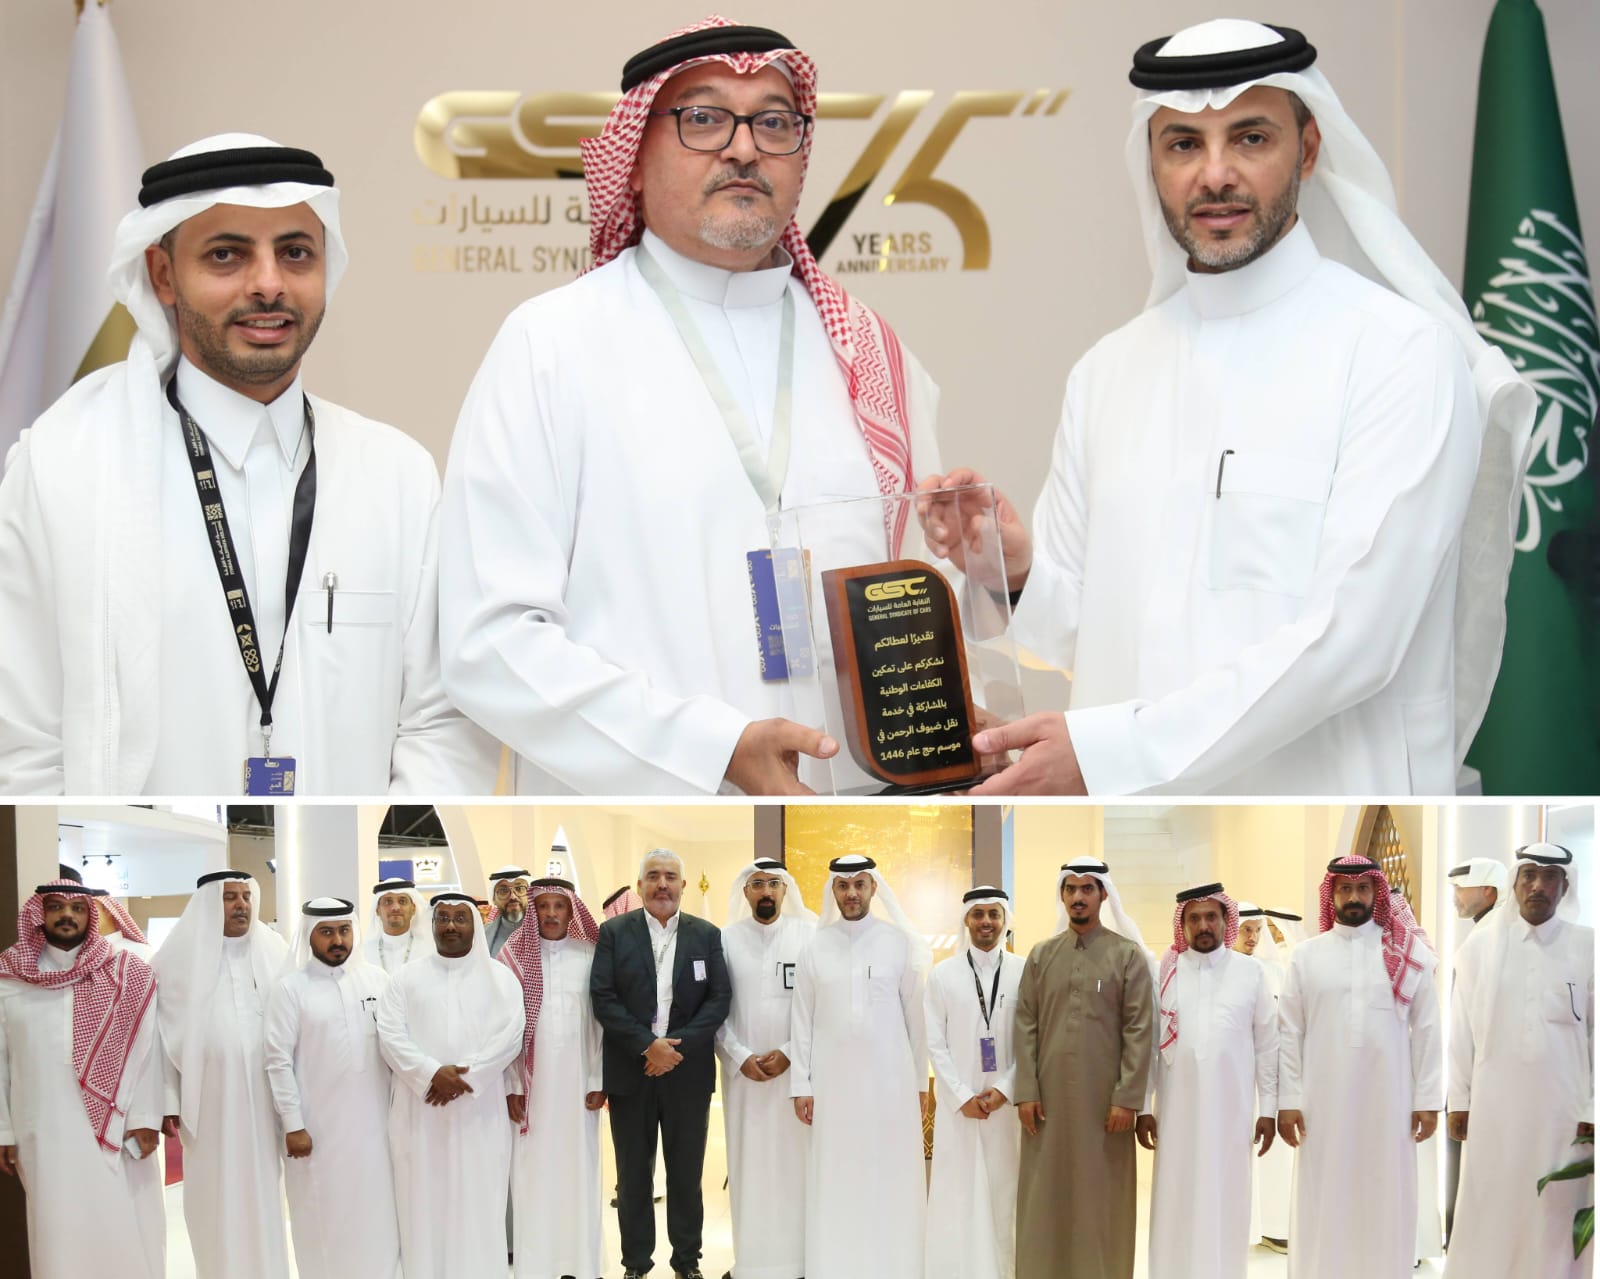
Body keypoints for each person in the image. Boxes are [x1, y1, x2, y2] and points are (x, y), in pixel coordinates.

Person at [921, 18, 1534, 796]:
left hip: (1325, 826)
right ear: (1151, 161)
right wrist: (1016, 572)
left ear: (1307, 149)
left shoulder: (1399, 353)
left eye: (1250, 138)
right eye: (1184, 144)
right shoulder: (1107, 372)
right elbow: (1083, 632)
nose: (1215, 175)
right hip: (1133, 832)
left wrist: (1112, 753)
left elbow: (1355, 641)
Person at [438, 15, 943, 797]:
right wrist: (711, 749)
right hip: (648, 822)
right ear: (635, 161)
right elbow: (490, 643)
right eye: (703, 118)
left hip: (853, 815)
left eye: (773, 122)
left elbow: (922, 607)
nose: (743, 148)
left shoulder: (871, 354)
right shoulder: (551, 344)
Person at [0, 132, 498, 796]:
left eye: (295, 253)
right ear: (162, 274)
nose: (269, 284)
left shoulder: (397, 475)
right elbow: (22, 746)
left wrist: (376, 847)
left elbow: (441, 726)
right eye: (226, 254)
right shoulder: (63, 470)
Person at [1277, 856, 1442, 1279]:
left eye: (1363, 888)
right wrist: (1288, 1100)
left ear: (1376, 893)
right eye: (1345, 889)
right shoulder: (1307, 956)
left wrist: (1427, 1100)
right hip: (1322, 1103)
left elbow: (1427, 1028)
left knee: (1383, 1191)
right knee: (1324, 1192)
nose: (1354, 897)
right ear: (1331, 895)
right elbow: (1289, 1031)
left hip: (1389, 1101)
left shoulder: (1408, 954)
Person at [0, 880, 164, 1278]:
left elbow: (146, 1050)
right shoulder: (9, 975)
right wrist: (4, 1131)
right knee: (54, 1228)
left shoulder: (126, 972)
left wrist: (145, 1117)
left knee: (115, 1221)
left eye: (76, 908)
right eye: (56, 906)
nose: (66, 915)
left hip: (109, 1126)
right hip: (39, 1127)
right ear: (39, 915)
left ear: (91, 916)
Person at [1446, 843, 1594, 1279]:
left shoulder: (1589, 946)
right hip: (1495, 1109)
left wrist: (1594, 1108)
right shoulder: (1481, 947)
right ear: (1514, 883)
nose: (1537, 886)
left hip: (1565, 1114)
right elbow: (1462, 1028)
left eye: (1550, 878)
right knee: (1493, 1205)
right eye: (1528, 875)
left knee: (1555, 1210)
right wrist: (1460, 1101)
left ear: (1565, 887)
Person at [590, 849, 732, 1279]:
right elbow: (603, 997)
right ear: (640, 885)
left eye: (670, 876)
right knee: (633, 1176)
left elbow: (719, 999)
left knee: (686, 1175)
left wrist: (672, 1050)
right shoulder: (614, 932)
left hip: (687, 1073)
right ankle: (636, 1264)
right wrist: (647, 1046)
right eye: (653, 876)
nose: (662, 884)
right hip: (631, 1072)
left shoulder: (706, 934)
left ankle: (687, 1262)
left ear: (683, 886)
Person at [1012, 859, 1154, 1279]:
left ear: (1103, 894)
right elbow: (1025, 1025)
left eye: (1087, 889)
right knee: (1045, 1195)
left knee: (1102, 1199)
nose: (1078, 897)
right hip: (1047, 1105)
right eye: (1071, 889)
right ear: (1062, 895)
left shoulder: (1126, 956)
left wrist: (1127, 1098)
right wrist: (1026, 1091)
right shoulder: (1041, 955)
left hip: (1105, 1106)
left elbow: (1139, 1029)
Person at [791, 853, 929, 1278]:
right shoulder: (815, 947)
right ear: (833, 890)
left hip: (891, 1085)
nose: (851, 893)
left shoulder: (898, 943)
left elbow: (917, 1019)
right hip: (831, 1087)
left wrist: (921, 1083)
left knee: (889, 1173)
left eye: (859, 884)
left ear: (873, 888)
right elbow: (801, 1021)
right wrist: (801, 1085)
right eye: (843, 885)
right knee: (837, 1176)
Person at [376, 892, 525, 1279]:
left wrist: (465, 1078)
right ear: (432, 924)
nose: (451, 926)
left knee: (479, 1202)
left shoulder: (501, 979)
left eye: (461, 918)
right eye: (443, 918)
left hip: (480, 1112)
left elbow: (511, 1036)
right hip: (419, 1112)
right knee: (422, 1204)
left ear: (474, 925)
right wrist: (430, 1073)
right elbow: (389, 1035)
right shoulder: (405, 979)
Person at [153, 870, 291, 1278]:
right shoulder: (174, 961)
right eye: (230, 897)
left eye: (246, 896)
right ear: (210, 903)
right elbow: (159, 1038)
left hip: (265, 1103)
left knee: (264, 1194)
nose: (241, 905)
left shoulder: (275, 949)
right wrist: (167, 1100)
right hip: (209, 1103)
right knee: (214, 1195)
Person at [1137, 884, 1277, 1279]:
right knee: (1176, 1197)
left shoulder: (1251, 973)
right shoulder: (1166, 973)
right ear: (1182, 924)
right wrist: (1144, 1107)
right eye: (1194, 918)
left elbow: (1268, 1045)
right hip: (1176, 1114)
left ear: (1225, 920)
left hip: (1231, 1113)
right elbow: (1149, 1044)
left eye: (1211, 917)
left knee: (1226, 1198)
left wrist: (1269, 1109)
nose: (1203, 925)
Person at [263, 898, 400, 1279]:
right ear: (310, 935)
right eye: (326, 932)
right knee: (322, 1220)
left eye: (343, 930)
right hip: (317, 1133)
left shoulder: (378, 981)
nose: (337, 940)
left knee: (377, 1221)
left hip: (376, 1132)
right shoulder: (290, 989)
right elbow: (277, 1061)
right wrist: (293, 1124)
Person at [499, 878, 607, 1279]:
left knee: (580, 1170)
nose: (550, 914)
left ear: (571, 910)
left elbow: (601, 1024)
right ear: (533, 910)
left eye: (558, 906)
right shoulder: (513, 957)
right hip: (532, 1091)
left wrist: (599, 1078)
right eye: (542, 906)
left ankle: (580, 1263)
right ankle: (537, 1266)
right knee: (533, 1173)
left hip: (580, 1086)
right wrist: (513, 1084)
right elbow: (505, 1027)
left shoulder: (591, 954)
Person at [716, 857, 817, 1279]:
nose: (766, 892)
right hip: (744, 1079)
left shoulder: (810, 935)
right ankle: (753, 1264)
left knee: (797, 1167)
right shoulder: (724, 940)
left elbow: (820, 1007)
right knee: (749, 1168)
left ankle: (800, 1263)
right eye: (757, 884)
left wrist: (791, 1052)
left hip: (796, 1076)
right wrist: (740, 1056)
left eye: (773, 884)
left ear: (785, 890)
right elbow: (713, 1009)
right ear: (745, 892)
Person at [925, 886, 1023, 1279]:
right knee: (958, 1194)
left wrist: (1005, 1089)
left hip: (1006, 1108)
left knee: (1004, 1194)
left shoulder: (1024, 971)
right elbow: (935, 1042)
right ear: (966, 919)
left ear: (1005, 920)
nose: (986, 922)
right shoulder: (943, 975)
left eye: (994, 914)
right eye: (978, 914)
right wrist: (961, 1095)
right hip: (959, 1109)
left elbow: (1032, 1041)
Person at [1234, 901, 1297, 1253]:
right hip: (1238, 1076)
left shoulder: (1272, 970)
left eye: (1257, 930)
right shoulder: (1226, 969)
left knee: (1273, 1159)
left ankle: (1274, 1225)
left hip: (1270, 1075)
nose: (1253, 937)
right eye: (1246, 929)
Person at [361, 876, 430, 974]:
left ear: (413, 909)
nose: (396, 907)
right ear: (377, 910)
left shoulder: (428, 951)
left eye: (402, 901)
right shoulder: (364, 953)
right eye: (388, 902)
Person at [1447, 857, 1508, 934]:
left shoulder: (1496, 930)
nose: (1454, 898)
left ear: (1487, 888)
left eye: (1459, 888)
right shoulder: (1494, 924)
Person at [486, 865, 532, 959]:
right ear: (494, 899)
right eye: (503, 890)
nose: (513, 897)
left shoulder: (544, 932)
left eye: (519, 889)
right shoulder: (483, 934)